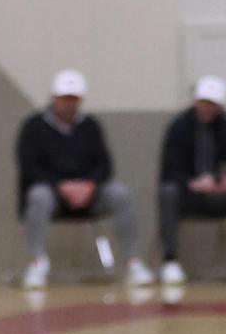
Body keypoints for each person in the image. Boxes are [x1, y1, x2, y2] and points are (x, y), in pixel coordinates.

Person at [16, 69, 151, 290]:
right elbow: (30, 167)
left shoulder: (90, 126)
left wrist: (90, 185)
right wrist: (61, 186)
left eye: (74, 99)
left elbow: (104, 165)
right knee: (38, 196)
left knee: (119, 193)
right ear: (53, 97)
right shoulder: (33, 127)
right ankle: (37, 262)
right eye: (64, 98)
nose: (69, 104)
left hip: (89, 195)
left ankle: (132, 261)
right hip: (52, 195)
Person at [157, 76, 226, 286]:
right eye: (204, 102)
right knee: (168, 192)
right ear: (196, 102)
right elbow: (169, 168)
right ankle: (170, 260)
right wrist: (192, 183)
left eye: (212, 104)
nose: (207, 108)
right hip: (188, 194)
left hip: (220, 195)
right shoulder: (178, 127)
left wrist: (224, 180)